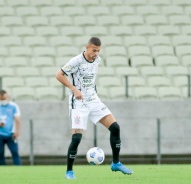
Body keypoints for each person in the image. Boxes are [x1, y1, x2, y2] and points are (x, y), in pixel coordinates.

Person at [55, 37, 133, 179]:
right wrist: (74, 89)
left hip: (93, 100)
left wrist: (92, 93)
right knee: (77, 138)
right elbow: (59, 75)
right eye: (94, 50)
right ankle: (69, 171)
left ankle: (116, 163)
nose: (96, 53)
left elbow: (90, 80)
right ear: (87, 47)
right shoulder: (76, 61)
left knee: (115, 128)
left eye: (98, 51)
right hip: (78, 103)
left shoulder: (97, 60)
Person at [0, 89, 21, 165]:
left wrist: (17, 131)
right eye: (1, 99)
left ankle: (19, 170)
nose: (3, 100)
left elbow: (17, 119)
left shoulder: (13, 106)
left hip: (11, 134)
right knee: (0, 153)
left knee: (15, 152)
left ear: (8, 96)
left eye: (4, 99)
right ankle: (2, 171)